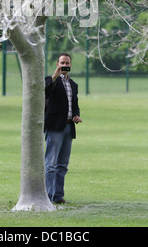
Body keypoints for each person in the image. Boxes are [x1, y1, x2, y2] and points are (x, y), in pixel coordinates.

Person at [44, 53, 82, 204]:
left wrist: (77, 116)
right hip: (54, 127)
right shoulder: (51, 80)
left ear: (70, 65)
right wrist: (55, 76)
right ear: (57, 64)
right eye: (62, 62)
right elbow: (45, 91)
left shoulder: (73, 84)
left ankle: (58, 196)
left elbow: (75, 105)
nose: (64, 65)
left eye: (67, 63)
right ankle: (47, 196)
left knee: (62, 165)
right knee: (51, 164)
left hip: (68, 127)